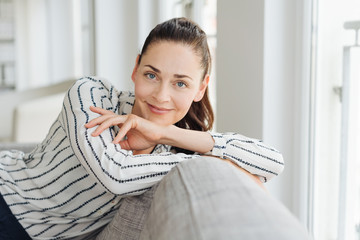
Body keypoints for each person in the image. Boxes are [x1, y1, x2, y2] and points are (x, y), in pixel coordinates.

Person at [0, 17, 294, 240]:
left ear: (201, 88)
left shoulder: (169, 147)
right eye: (152, 75)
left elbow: (273, 161)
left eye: (180, 83)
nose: (161, 96)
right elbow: (114, 173)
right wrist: (205, 156)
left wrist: (164, 133)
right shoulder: (93, 95)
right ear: (136, 68)